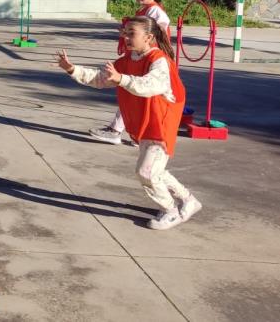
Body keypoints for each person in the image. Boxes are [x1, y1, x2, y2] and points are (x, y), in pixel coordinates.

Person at [56, 16, 202, 231]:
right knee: (155, 170)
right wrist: (72, 69)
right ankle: (189, 201)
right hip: (145, 123)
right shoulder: (127, 60)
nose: (125, 37)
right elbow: (101, 78)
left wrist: (121, 79)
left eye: (131, 33)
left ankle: (171, 211)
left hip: (160, 125)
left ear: (149, 37)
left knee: (146, 172)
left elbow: (151, 85)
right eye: (124, 33)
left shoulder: (159, 60)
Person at [91, 0, 172, 145]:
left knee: (134, 92)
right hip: (140, 58)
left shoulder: (155, 11)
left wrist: (143, 45)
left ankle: (123, 131)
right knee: (133, 93)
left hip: (148, 61)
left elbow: (160, 30)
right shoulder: (144, 10)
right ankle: (137, 134)